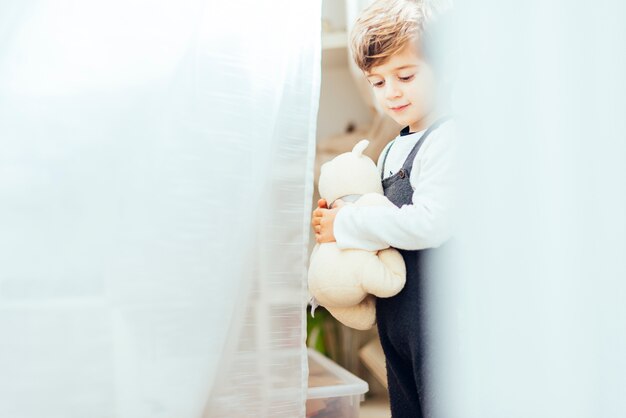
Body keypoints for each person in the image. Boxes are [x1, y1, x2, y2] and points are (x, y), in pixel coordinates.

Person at [311, 1, 456, 417]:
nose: (391, 91)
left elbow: (430, 223)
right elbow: (377, 215)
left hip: (438, 316)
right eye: (377, 82)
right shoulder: (391, 149)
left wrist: (349, 224)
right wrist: (342, 210)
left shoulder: (447, 140)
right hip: (396, 318)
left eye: (405, 76)